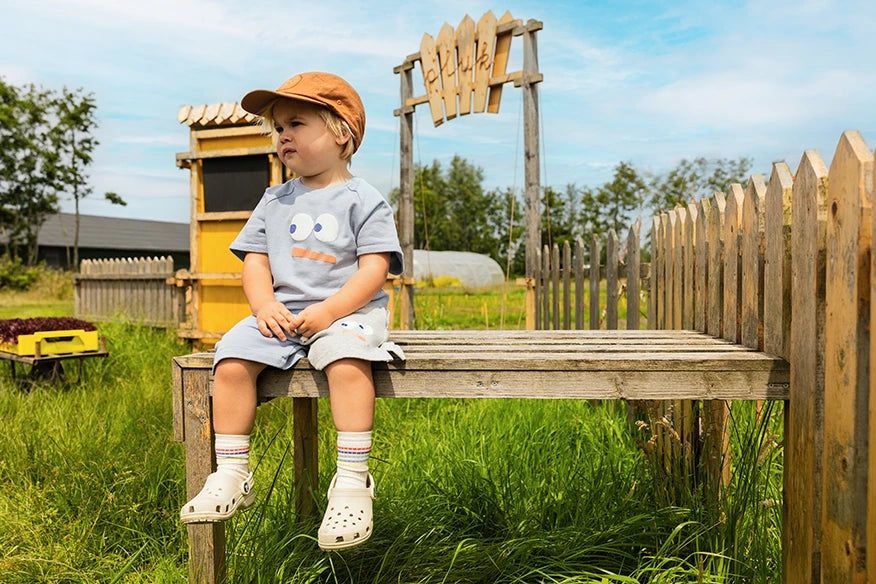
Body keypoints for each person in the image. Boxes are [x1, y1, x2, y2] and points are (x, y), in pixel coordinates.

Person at [179, 72, 403, 551]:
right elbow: (256, 263)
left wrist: (331, 311)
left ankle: (352, 480)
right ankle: (232, 471)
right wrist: (263, 305)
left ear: (341, 132)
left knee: (346, 361)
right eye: (278, 127)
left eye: (296, 124)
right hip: (283, 313)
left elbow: (374, 269)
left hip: (348, 310)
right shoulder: (273, 199)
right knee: (231, 359)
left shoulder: (364, 199)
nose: (283, 136)